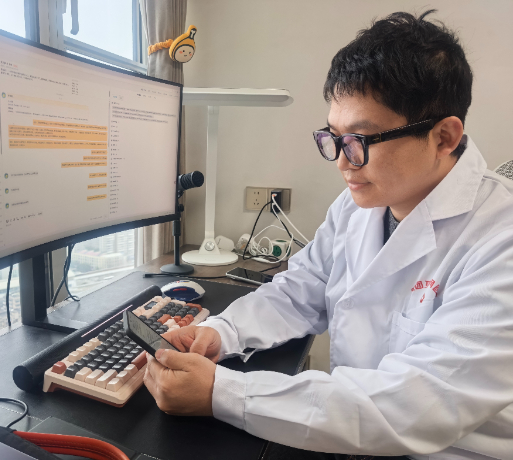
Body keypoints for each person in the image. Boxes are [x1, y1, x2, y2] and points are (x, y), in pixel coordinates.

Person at [143, 10, 513, 460]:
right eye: (333, 137)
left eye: (360, 141)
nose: (341, 162)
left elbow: (416, 405)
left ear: (443, 137)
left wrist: (223, 392)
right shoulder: (359, 205)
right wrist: (222, 331)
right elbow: (300, 290)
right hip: (346, 433)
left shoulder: (500, 237)